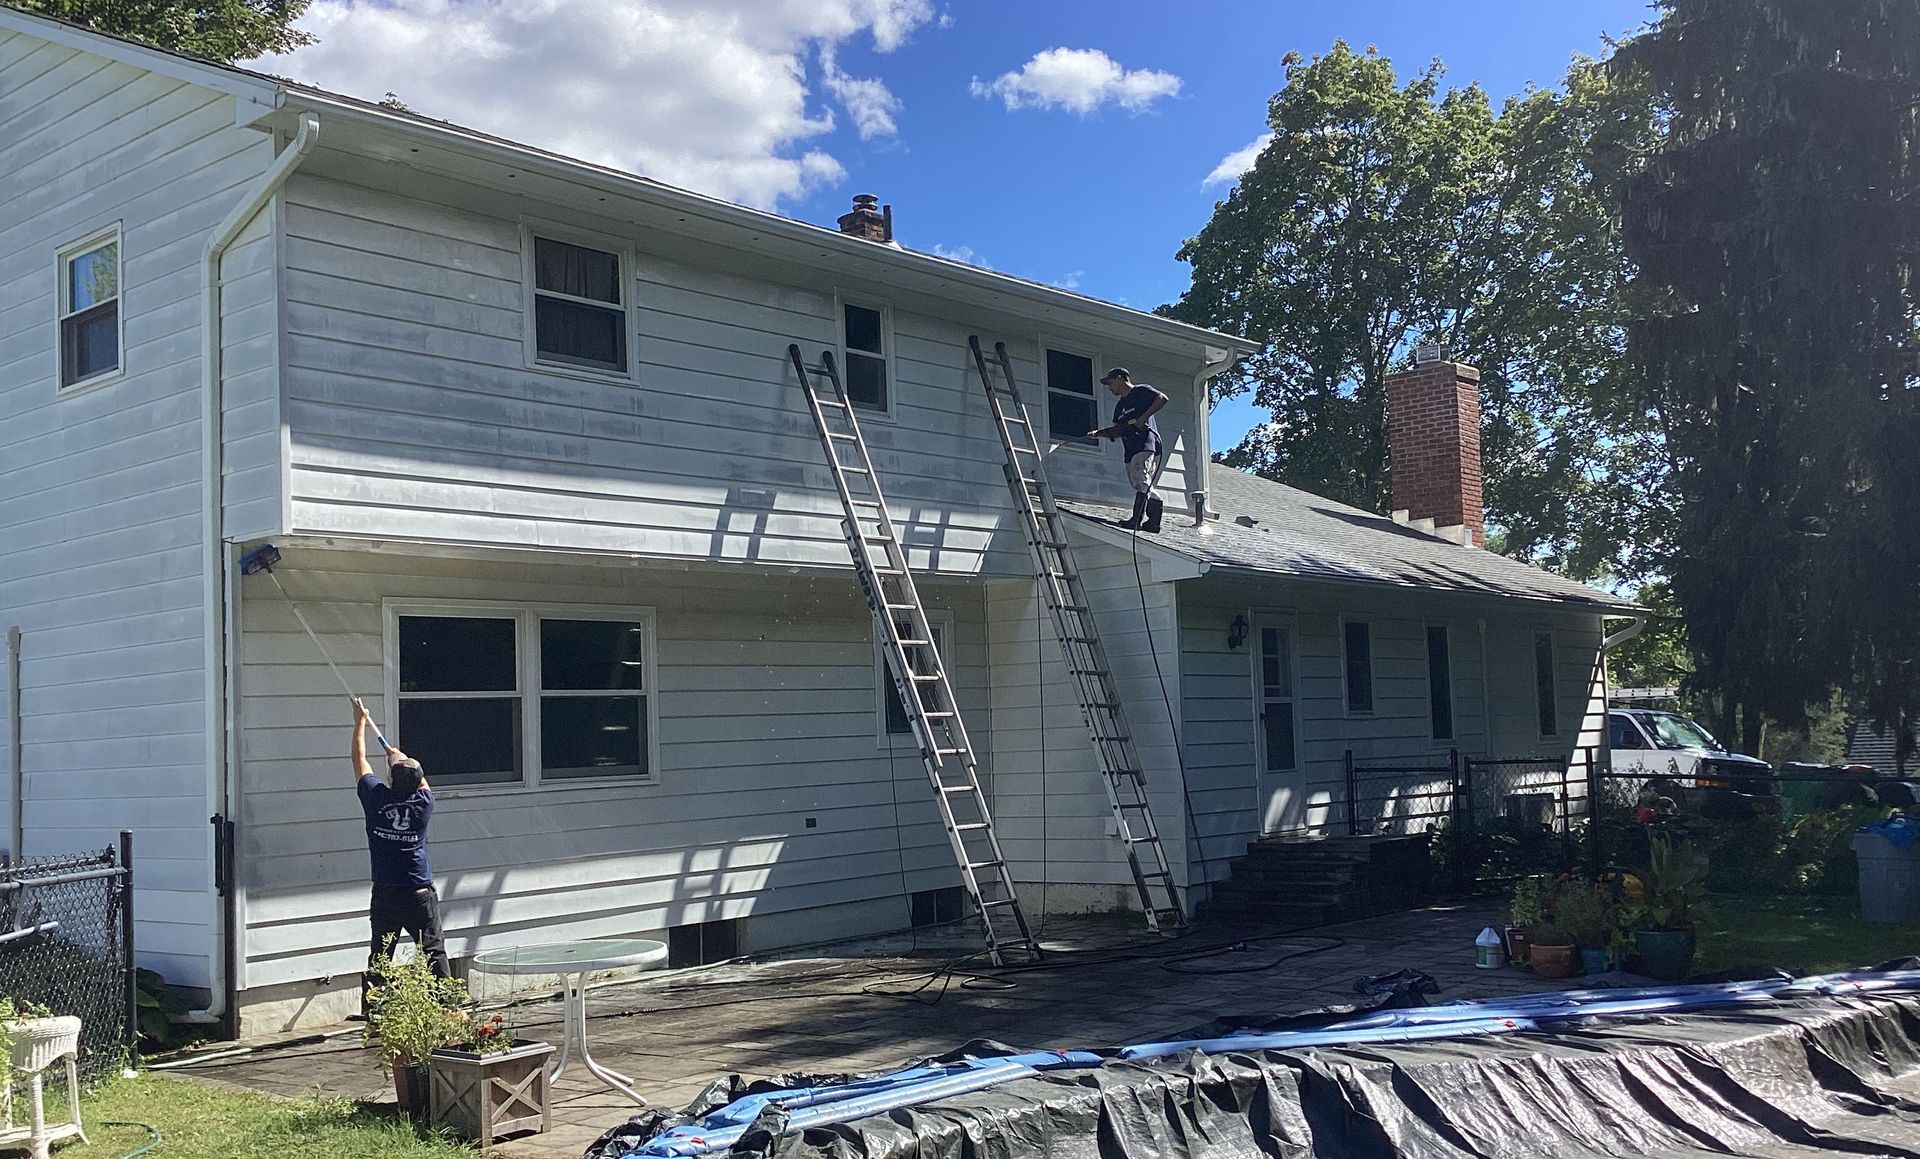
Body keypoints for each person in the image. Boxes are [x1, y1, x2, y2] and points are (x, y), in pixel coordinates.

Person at [351, 697, 449, 1016]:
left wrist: (360, 722)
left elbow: (360, 761)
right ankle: (447, 1005)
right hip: (419, 893)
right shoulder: (423, 805)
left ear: (390, 779)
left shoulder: (376, 799)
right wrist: (401, 759)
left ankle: (375, 1011)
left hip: (386, 894)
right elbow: (420, 780)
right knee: (433, 951)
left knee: (381, 953)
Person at [1088, 367, 1168, 532]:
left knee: (1142, 479)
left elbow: (1162, 398)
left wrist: (1143, 418)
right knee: (1139, 483)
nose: (1110, 388)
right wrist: (1099, 434)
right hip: (1130, 449)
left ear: (1119, 378)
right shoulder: (1120, 407)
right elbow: (1119, 429)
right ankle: (1148, 521)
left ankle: (1142, 519)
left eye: (1110, 383)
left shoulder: (1141, 391)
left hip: (1145, 444)